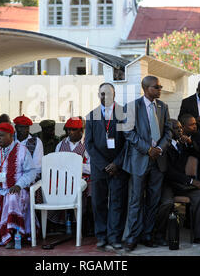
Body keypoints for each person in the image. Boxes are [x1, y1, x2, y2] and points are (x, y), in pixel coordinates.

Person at [121, 76, 171, 251]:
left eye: (160, 86)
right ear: (146, 88)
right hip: (139, 160)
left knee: (153, 200)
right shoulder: (132, 107)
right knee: (135, 200)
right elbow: (128, 133)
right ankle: (132, 237)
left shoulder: (163, 107)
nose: (159, 89)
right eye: (156, 87)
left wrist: (159, 149)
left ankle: (147, 235)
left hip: (159, 160)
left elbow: (168, 132)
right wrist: (147, 149)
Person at [154, 119, 200, 246]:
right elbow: (168, 172)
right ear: (168, 131)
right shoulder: (162, 147)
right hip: (168, 184)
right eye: (176, 128)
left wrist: (190, 143)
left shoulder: (182, 144)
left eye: (181, 127)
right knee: (167, 203)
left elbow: (197, 155)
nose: (180, 130)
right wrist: (191, 181)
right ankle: (159, 236)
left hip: (182, 184)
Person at [84, 83, 128, 250]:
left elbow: (128, 142)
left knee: (118, 202)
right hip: (99, 167)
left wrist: (116, 163)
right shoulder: (91, 116)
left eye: (108, 94)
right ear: (98, 95)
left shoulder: (124, 113)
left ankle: (115, 237)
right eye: (102, 94)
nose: (105, 97)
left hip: (119, 167)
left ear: (114, 94)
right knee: (98, 203)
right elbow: (88, 144)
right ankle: (101, 237)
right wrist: (104, 165)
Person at [51, 117, 92, 232]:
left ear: (81, 130)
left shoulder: (88, 144)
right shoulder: (60, 145)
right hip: (64, 177)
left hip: (82, 177)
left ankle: (85, 224)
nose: (70, 132)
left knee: (90, 190)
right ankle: (60, 223)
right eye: (68, 129)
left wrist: (76, 166)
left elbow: (92, 167)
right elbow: (55, 163)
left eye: (74, 129)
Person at [13, 115, 44, 180]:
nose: (23, 130)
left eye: (26, 127)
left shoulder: (36, 142)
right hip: (10, 175)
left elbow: (37, 167)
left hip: (28, 176)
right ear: (15, 127)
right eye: (21, 127)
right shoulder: (10, 139)